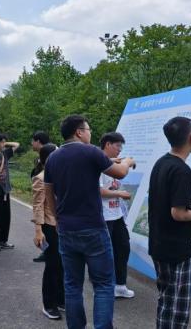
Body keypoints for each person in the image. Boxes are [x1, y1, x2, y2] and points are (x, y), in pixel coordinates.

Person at [44, 115, 135, 329]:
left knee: (72, 285)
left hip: (66, 229)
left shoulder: (53, 158)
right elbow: (121, 173)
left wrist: (57, 218)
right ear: (79, 132)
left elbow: (49, 193)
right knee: (103, 285)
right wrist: (128, 161)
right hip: (93, 228)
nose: (90, 133)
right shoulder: (91, 151)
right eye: (88, 129)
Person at [148, 117, 191, 329]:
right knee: (177, 308)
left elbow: (165, 202)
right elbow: (177, 213)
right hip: (176, 249)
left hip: (158, 243)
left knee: (166, 300)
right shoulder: (182, 170)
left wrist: (188, 205)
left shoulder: (161, 163)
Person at [99, 132, 134, 299]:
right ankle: (104, 286)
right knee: (105, 254)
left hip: (117, 215)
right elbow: (98, 191)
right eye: (117, 146)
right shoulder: (97, 162)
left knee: (123, 248)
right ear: (107, 144)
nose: (120, 149)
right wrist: (119, 193)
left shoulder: (114, 163)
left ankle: (120, 285)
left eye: (121, 146)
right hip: (103, 216)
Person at [32, 143, 64, 320]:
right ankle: (49, 304)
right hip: (49, 225)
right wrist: (38, 230)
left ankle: (60, 299)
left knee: (63, 264)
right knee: (52, 265)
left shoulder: (61, 174)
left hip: (63, 225)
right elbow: (37, 206)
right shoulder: (40, 178)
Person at [31, 130, 50, 263]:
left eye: (33, 141)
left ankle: (48, 252)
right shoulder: (40, 157)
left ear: (38, 141)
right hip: (45, 206)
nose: (32, 144)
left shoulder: (50, 152)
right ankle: (47, 252)